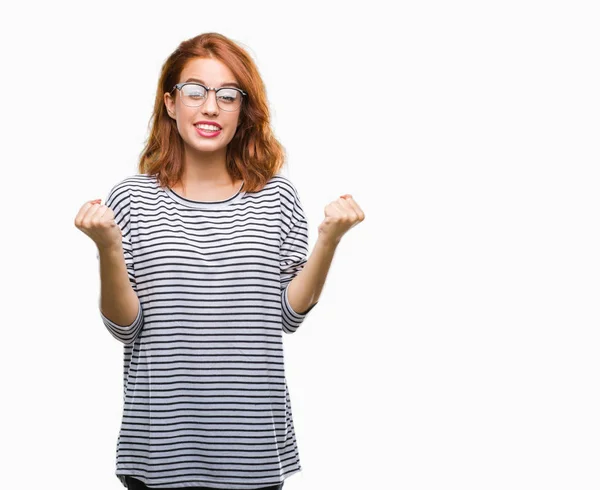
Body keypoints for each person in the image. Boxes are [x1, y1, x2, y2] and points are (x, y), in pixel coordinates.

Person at [74, 32, 364, 490]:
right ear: (170, 103)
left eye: (228, 95)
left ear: (242, 111)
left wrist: (329, 239)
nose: (210, 107)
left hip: (253, 453)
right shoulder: (132, 199)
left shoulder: (276, 197)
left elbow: (287, 316)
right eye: (196, 91)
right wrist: (107, 247)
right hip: (159, 452)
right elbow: (124, 328)